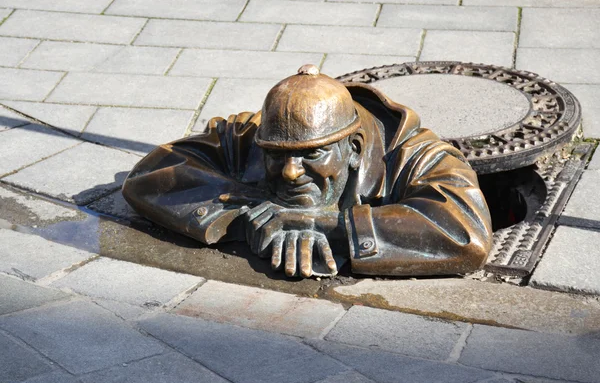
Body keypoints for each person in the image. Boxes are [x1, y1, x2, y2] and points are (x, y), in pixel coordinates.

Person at [122, 65, 492, 278]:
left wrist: (326, 224)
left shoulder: (416, 155)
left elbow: (466, 234)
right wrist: (243, 210)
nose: (289, 172)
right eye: (276, 155)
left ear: (354, 149)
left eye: (312, 154)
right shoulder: (251, 136)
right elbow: (150, 173)